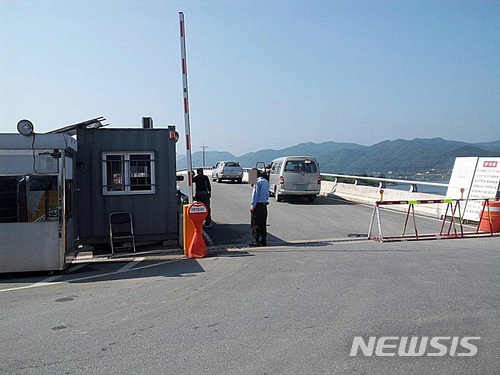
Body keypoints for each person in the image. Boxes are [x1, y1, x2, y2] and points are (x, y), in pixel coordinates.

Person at [250, 169, 270, 246]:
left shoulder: (257, 182)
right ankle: (263, 239)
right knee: (263, 223)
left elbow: (255, 195)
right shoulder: (265, 181)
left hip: (258, 205)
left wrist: (252, 206)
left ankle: (256, 240)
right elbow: (267, 193)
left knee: (255, 223)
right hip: (264, 204)